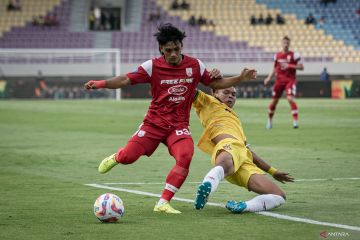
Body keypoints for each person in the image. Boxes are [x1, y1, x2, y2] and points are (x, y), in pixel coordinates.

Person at [84, 23, 257, 214]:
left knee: (185, 156)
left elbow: (216, 83)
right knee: (129, 157)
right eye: (169, 50)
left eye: (176, 49)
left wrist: (240, 78)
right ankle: (117, 156)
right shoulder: (151, 67)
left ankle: (163, 203)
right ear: (161, 49)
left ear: (181, 46)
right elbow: (125, 79)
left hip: (178, 126)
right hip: (153, 124)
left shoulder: (195, 65)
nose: (173, 54)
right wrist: (100, 83)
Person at [193, 87, 294, 212]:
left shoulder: (234, 118)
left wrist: (273, 172)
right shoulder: (209, 101)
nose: (231, 96)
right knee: (227, 162)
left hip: (243, 158)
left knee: (279, 195)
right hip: (228, 146)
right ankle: (207, 184)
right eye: (226, 92)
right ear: (214, 93)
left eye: (234, 94)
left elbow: (248, 151)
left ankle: (243, 206)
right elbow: (189, 87)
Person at [264, 36, 304, 129]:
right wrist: (269, 78)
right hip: (279, 81)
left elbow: (301, 67)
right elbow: (274, 68)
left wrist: (289, 65)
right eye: (284, 42)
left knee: (290, 99)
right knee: (274, 101)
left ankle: (295, 121)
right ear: (281, 43)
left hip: (290, 80)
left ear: (289, 44)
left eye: (287, 43)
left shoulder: (295, 55)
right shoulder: (277, 55)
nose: (285, 44)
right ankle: (269, 120)